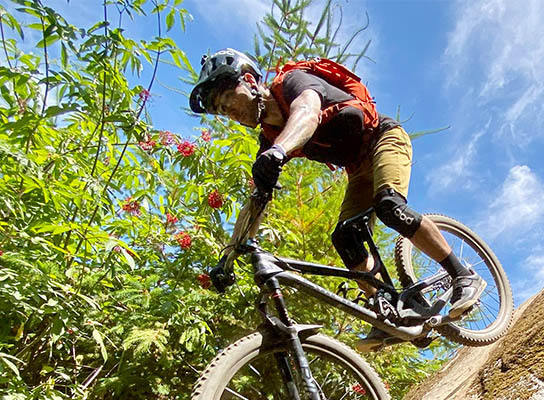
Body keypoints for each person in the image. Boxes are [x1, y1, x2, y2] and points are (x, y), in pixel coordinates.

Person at [189, 49, 485, 352]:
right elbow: (257, 201)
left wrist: (279, 151)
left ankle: (463, 275)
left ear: (250, 81)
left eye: (229, 101)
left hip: (384, 139)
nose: (230, 113)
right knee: (345, 236)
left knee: (390, 206)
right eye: (222, 111)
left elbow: (307, 111)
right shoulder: (269, 136)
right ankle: (392, 312)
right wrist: (228, 255)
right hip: (357, 168)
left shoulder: (291, 83)